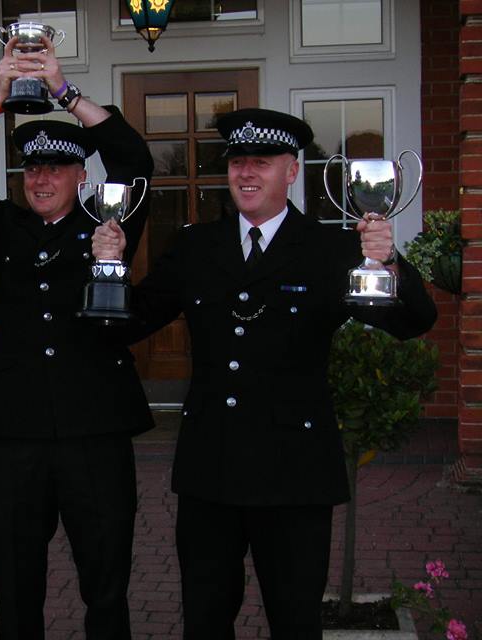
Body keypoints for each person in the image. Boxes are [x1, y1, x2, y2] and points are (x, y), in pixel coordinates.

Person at [92, 107, 438, 639]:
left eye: (262, 161)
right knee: (205, 620)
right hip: (212, 468)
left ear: (291, 171)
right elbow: (128, 323)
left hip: (294, 471)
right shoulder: (195, 246)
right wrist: (110, 266)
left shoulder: (330, 248)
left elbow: (413, 322)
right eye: (237, 162)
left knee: (295, 621)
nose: (246, 172)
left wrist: (388, 262)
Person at [0, 35, 155, 639]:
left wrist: (63, 90)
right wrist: (0, 98)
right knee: (14, 578)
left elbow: (135, 159)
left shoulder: (110, 220)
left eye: (56, 168)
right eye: (33, 168)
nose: (41, 178)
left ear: (81, 175)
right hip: (16, 430)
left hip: (95, 427)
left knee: (105, 579)